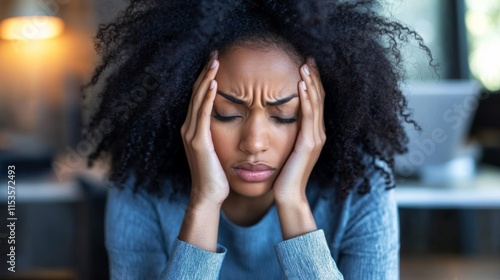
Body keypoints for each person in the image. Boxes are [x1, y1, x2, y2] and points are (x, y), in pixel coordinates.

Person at [83, 0, 433, 279]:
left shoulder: (363, 187)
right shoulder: (139, 187)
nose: (254, 142)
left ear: (321, 115)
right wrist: (203, 205)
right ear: (183, 107)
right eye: (226, 113)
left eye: (284, 116)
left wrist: (294, 204)